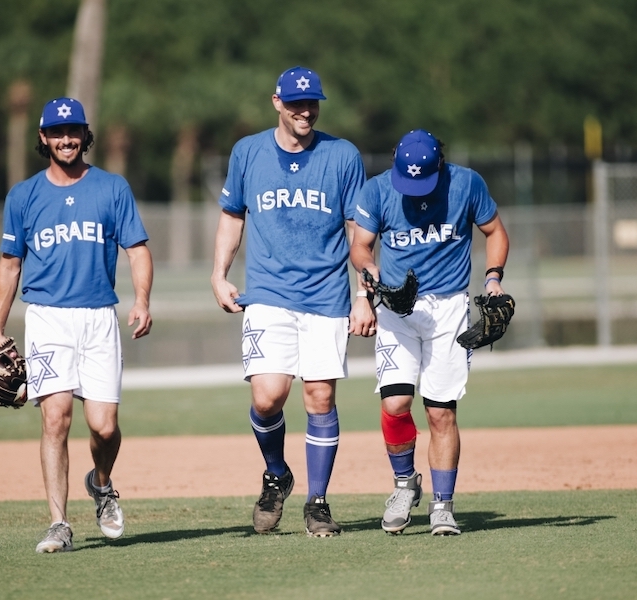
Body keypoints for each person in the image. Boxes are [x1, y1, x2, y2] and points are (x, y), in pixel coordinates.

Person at [211, 66, 373, 537]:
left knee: (319, 396)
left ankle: (317, 503)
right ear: (277, 103)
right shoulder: (248, 152)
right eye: (297, 103)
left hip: (326, 294)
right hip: (267, 292)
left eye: (313, 102)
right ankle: (277, 473)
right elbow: (231, 217)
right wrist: (219, 275)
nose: (306, 110)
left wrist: (365, 295)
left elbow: (359, 233)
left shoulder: (342, 155)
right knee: (267, 397)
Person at [0, 97, 153, 553]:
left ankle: (101, 483)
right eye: (57, 132)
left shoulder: (111, 187)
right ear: (43, 138)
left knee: (103, 427)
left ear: (85, 135)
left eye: (74, 131)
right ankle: (59, 523)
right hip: (47, 318)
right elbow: (8, 265)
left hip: (99, 314)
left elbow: (137, 249)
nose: (66, 139)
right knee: (55, 419)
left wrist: (141, 299)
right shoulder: (23, 196)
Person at [349, 129, 510, 536]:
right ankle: (405, 485)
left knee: (441, 412)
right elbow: (361, 246)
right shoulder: (377, 190)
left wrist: (493, 280)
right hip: (397, 307)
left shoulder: (467, 183)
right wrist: (371, 277)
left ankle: (442, 506)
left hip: (449, 308)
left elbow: (494, 231)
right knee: (396, 404)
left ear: (441, 162)